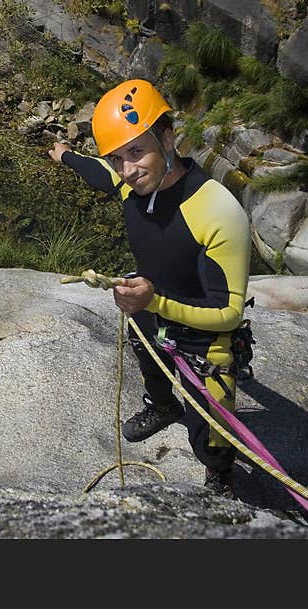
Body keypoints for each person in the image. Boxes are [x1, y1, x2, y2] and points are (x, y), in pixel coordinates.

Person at [48, 79, 250, 495]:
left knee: (210, 432)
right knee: (149, 362)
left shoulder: (217, 209)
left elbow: (229, 313)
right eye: (118, 157)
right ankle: (162, 406)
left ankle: (219, 475)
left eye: (137, 152)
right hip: (147, 312)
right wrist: (66, 156)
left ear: (169, 139)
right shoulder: (130, 182)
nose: (127, 170)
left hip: (203, 338)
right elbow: (100, 172)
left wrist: (153, 300)